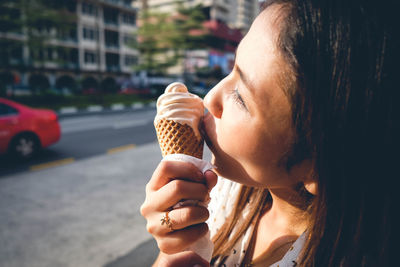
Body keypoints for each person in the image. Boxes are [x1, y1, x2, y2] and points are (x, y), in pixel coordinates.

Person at [141, 0, 398, 266]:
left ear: (318, 166)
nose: (209, 99)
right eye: (233, 71)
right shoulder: (228, 192)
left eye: (240, 97)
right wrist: (178, 244)